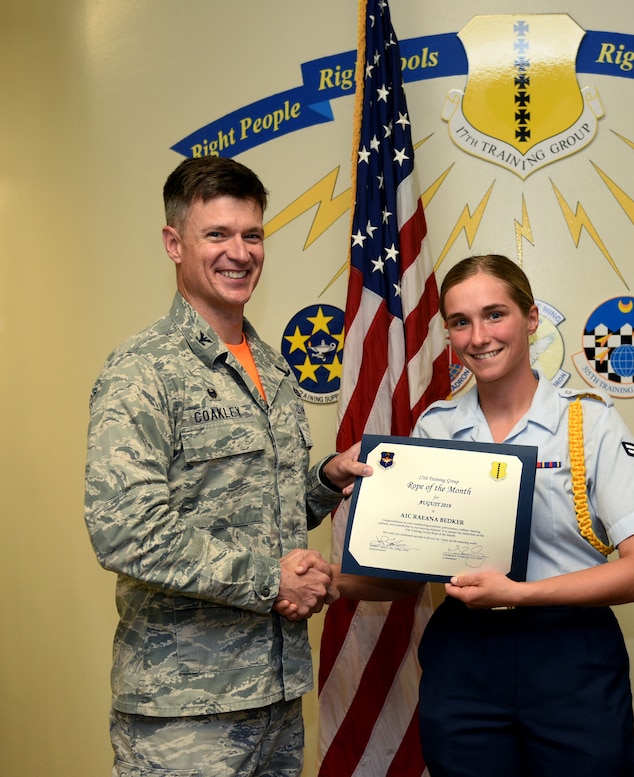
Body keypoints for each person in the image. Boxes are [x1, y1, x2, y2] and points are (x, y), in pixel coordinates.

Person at [84, 156, 385, 777]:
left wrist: (325, 481)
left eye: (252, 234)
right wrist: (272, 580)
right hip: (185, 712)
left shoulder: (272, 368)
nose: (239, 252)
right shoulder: (142, 370)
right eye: (217, 235)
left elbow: (257, 510)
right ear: (174, 243)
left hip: (274, 696)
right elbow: (126, 529)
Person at [340, 254, 634, 776]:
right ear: (449, 333)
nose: (479, 336)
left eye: (495, 314)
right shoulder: (436, 428)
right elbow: (407, 579)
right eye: (460, 321)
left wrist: (518, 595)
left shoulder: (587, 422)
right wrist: (329, 582)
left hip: (570, 652)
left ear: (532, 318)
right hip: (465, 657)